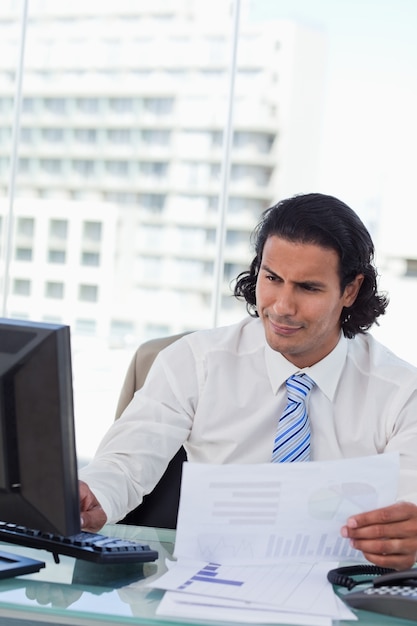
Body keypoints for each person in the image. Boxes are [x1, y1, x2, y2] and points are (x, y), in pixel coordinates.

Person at [80, 192, 417, 570]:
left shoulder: (402, 393)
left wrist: (407, 533)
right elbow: (125, 463)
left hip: (341, 593)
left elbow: (410, 502)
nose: (282, 307)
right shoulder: (196, 362)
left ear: (350, 291)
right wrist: (95, 497)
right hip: (209, 585)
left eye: (308, 288)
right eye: (272, 278)